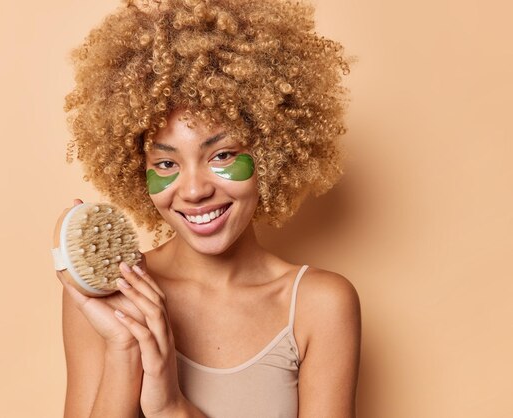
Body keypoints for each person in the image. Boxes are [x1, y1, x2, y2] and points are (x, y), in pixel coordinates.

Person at [57, 0, 361, 417]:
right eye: (166, 164)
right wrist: (123, 347)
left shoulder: (319, 305)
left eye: (221, 155)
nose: (195, 190)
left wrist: (170, 407)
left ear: (270, 153)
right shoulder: (114, 297)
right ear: (136, 172)